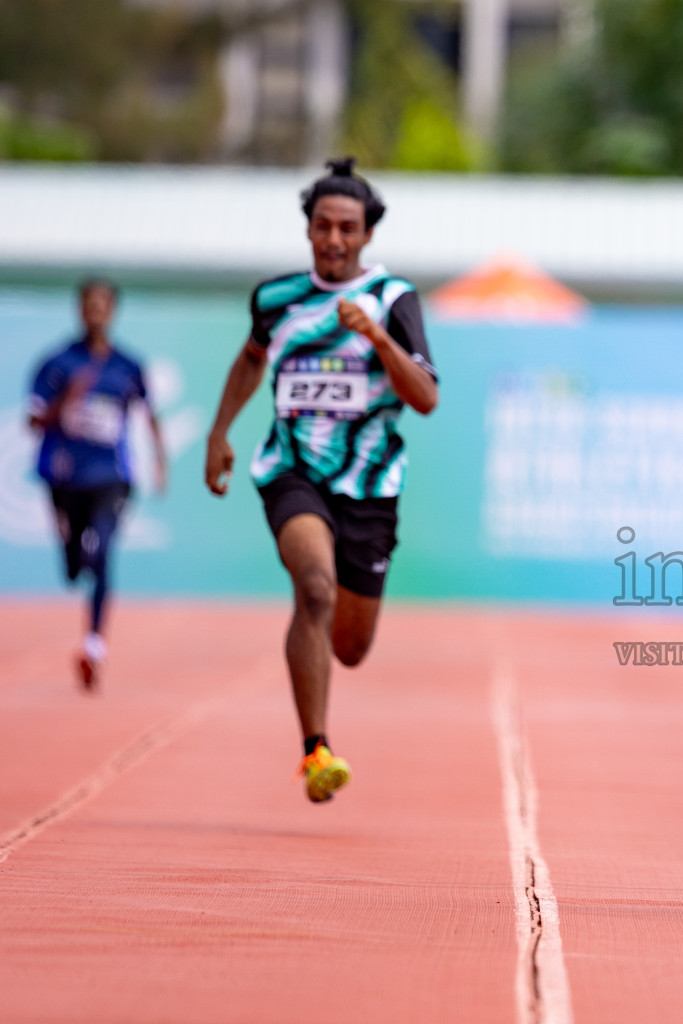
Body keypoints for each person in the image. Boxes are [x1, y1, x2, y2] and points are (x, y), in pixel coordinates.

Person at [204, 158, 438, 804]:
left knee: (351, 646)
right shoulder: (276, 299)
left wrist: (380, 342)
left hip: (369, 485)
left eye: (347, 229)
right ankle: (316, 751)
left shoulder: (394, 300)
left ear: (367, 235)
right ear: (308, 229)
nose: (334, 240)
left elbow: (426, 398)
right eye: (322, 226)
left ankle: (323, 652)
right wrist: (220, 432)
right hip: (292, 470)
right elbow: (251, 359)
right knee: (313, 589)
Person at [27, 278, 168, 693]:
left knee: (104, 550)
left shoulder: (127, 365)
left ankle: (94, 644)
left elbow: (149, 413)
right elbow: (33, 421)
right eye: (89, 305)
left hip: (112, 476)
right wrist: (64, 402)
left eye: (103, 305)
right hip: (64, 474)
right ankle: (75, 556)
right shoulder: (57, 363)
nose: (96, 312)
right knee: (75, 567)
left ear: (113, 311)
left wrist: (160, 462)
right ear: (79, 310)